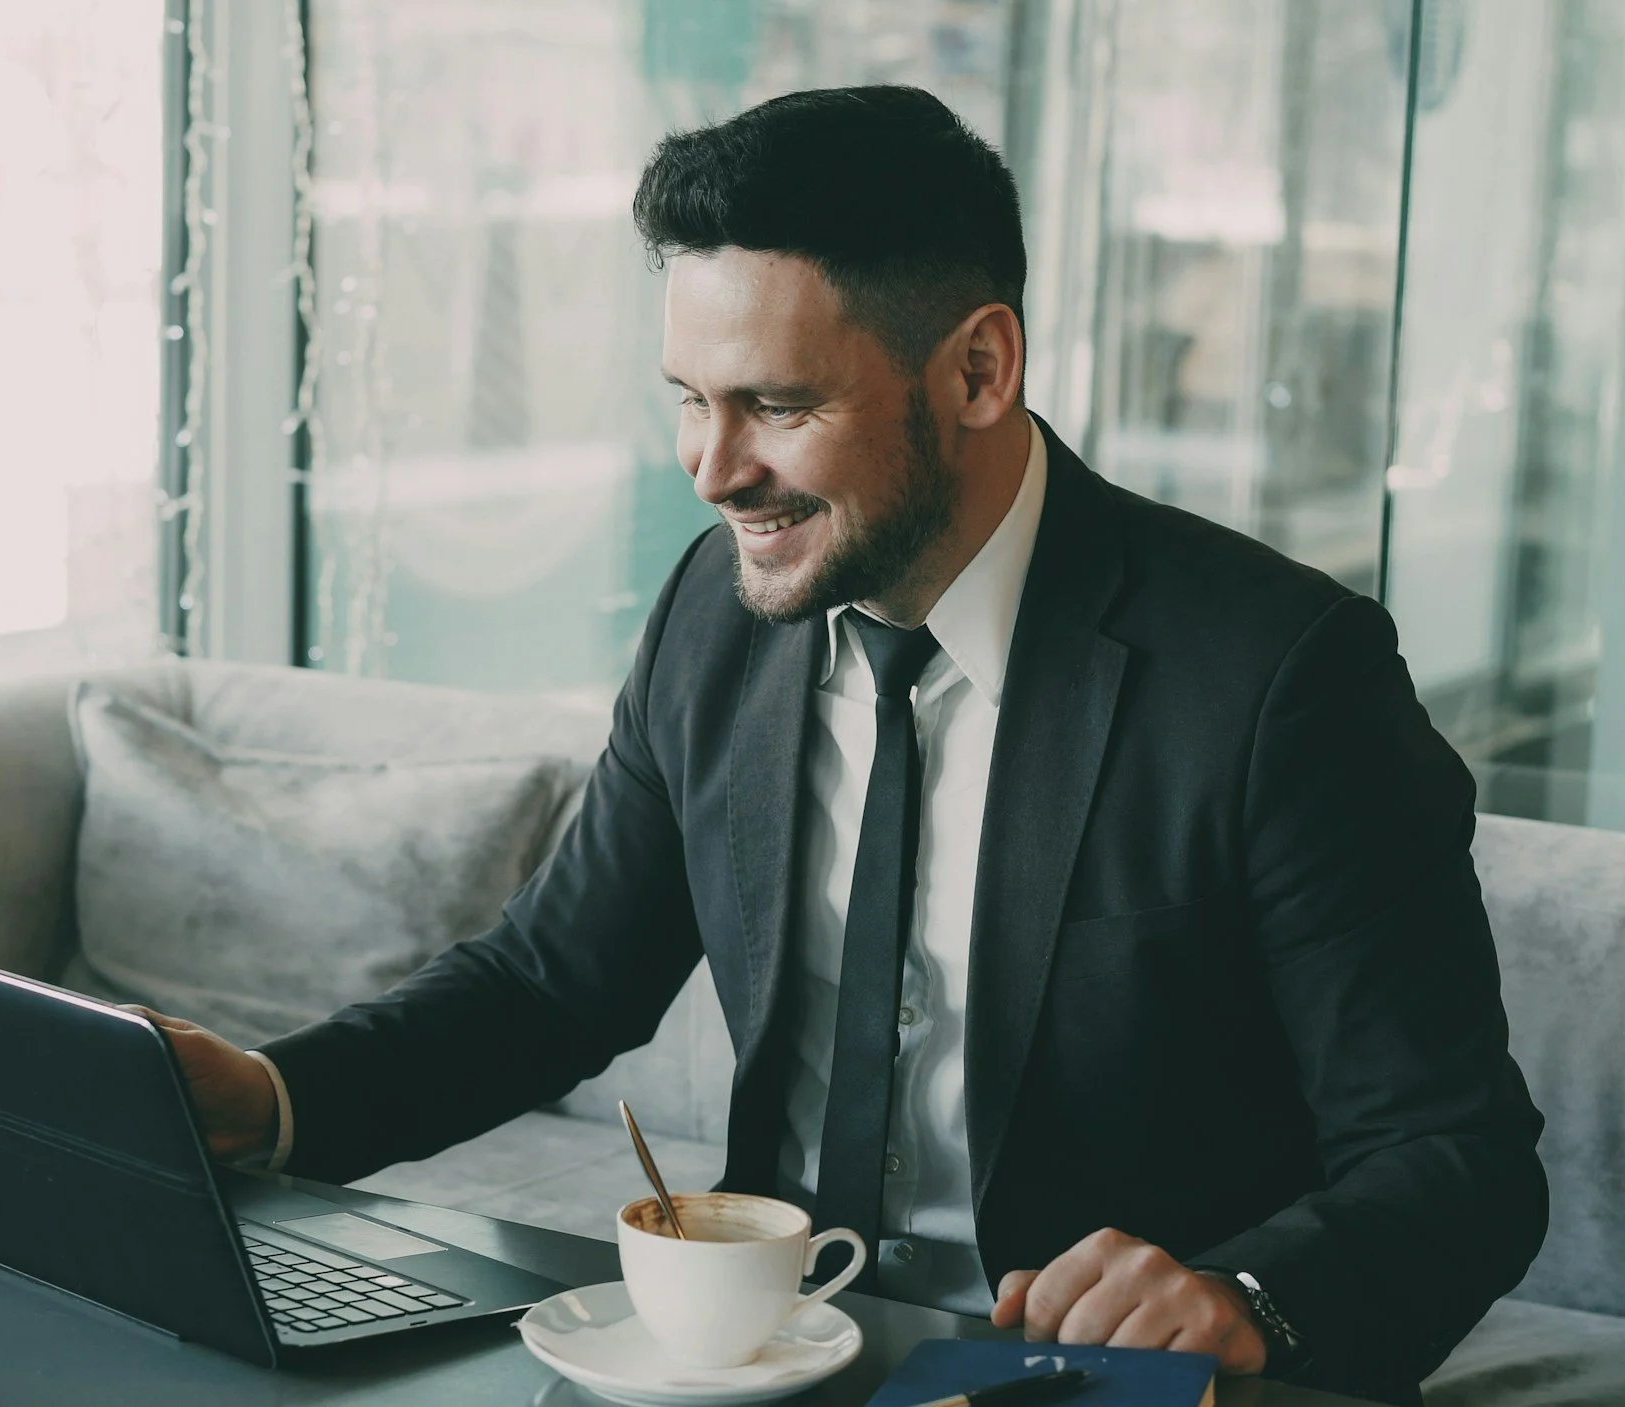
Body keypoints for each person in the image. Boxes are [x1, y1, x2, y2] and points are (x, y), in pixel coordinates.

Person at [136, 84, 1545, 1404]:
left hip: (1082, 1378)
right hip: (767, 1360)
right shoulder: (715, 611)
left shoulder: (1278, 678)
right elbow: (552, 980)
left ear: (979, 369)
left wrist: (1245, 1298)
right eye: (689, 396)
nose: (712, 467)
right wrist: (271, 1100)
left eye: (778, 406)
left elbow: (1453, 1155)